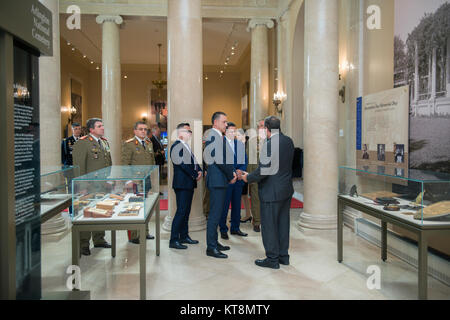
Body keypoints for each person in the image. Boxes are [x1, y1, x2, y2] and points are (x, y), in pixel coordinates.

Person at [242, 116, 294, 269]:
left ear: (267, 129)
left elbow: (264, 170)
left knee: (270, 226)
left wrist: (248, 178)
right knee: (283, 225)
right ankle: (283, 256)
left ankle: (272, 259)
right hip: (285, 190)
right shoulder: (288, 141)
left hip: (271, 191)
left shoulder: (270, 144)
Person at [72, 118, 113, 256]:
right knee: (87, 214)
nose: (102, 128)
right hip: (89, 186)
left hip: (102, 185)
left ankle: (99, 239)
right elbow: (78, 167)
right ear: (91, 129)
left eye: (102, 125)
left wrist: (108, 180)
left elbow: (109, 162)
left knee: (100, 211)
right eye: (99, 126)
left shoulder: (104, 142)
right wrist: (82, 186)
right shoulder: (83, 143)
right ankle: (83, 244)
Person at [204, 111, 237, 259]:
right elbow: (220, 159)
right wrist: (231, 176)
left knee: (217, 214)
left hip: (220, 179)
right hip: (217, 180)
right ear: (215, 122)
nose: (226, 124)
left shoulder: (218, 136)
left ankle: (215, 242)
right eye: (224, 122)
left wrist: (233, 172)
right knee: (214, 215)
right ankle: (211, 247)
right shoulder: (213, 135)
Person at [121, 121, 156, 244]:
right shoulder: (129, 144)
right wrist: (128, 181)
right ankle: (134, 235)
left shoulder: (148, 143)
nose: (143, 131)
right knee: (134, 208)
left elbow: (152, 162)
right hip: (134, 182)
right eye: (140, 129)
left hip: (145, 180)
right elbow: (124, 164)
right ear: (135, 131)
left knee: (144, 207)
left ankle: (144, 232)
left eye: (145, 129)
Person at [169, 123, 202, 249]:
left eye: (190, 131)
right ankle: (173, 240)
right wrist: (194, 174)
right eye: (188, 131)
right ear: (180, 133)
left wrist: (199, 170)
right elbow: (182, 164)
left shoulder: (186, 146)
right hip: (182, 184)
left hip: (188, 183)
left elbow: (193, 162)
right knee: (181, 211)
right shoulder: (176, 146)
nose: (190, 133)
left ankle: (184, 236)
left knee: (186, 211)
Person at [219, 123, 248, 239]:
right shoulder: (221, 145)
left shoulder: (239, 144)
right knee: (224, 206)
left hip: (238, 180)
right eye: (230, 131)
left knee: (237, 205)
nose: (233, 133)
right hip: (227, 180)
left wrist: (241, 170)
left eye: (234, 131)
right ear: (225, 132)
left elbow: (245, 160)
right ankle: (223, 229)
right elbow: (221, 162)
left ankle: (235, 228)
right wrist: (232, 173)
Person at [246, 119, 265, 232]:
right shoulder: (252, 141)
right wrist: (250, 177)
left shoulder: (272, 141)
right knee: (256, 199)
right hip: (256, 174)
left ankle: (268, 221)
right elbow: (250, 160)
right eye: (260, 126)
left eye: (264, 126)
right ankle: (257, 222)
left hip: (270, 176)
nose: (261, 128)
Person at [149, 124, 166, 188]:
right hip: (156, 161)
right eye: (158, 131)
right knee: (155, 177)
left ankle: (157, 188)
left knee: (158, 176)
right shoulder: (152, 139)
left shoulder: (157, 139)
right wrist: (159, 152)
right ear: (154, 131)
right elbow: (152, 151)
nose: (159, 132)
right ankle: (155, 188)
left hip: (159, 161)